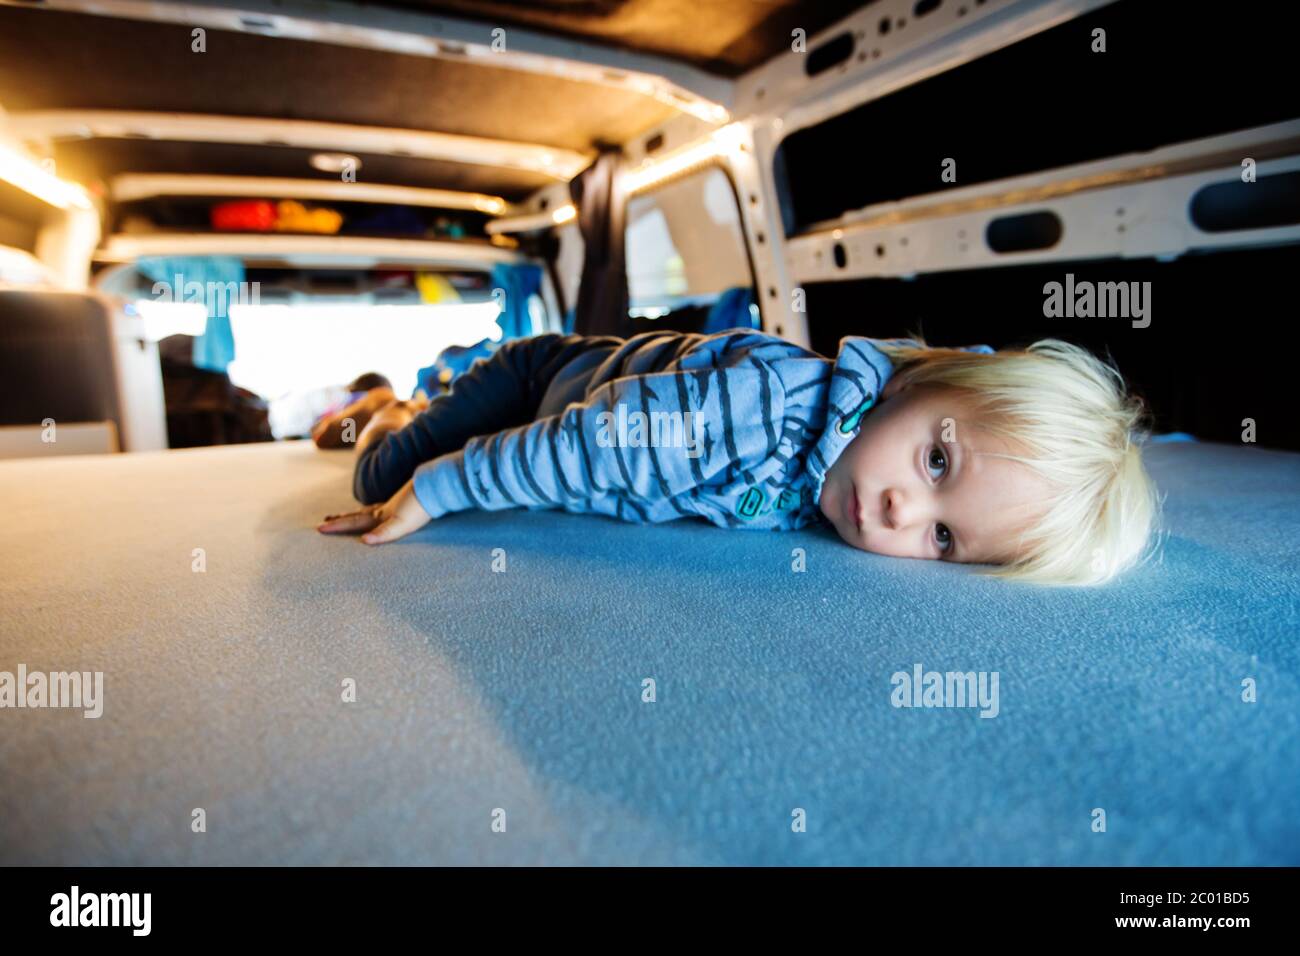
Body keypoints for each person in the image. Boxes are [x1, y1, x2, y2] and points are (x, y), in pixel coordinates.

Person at [317, 328, 1158, 586]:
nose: (902, 509)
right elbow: (594, 444)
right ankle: (390, 406)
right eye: (937, 464)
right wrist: (448, 485)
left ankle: (421, 399)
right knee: (382, 480)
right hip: (543, 383)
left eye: (943, 538)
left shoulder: (854, 468)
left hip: (603, 391)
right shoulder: (762, 409)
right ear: (908, 385)